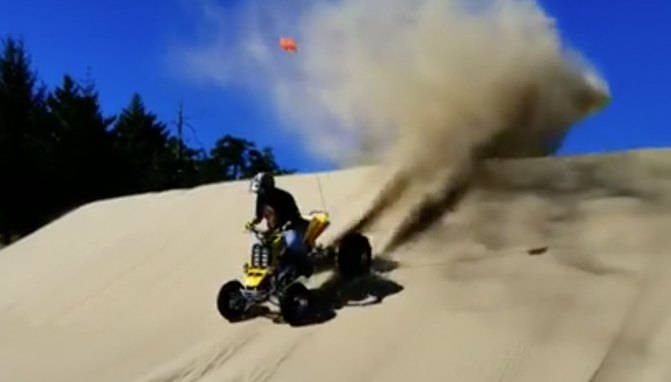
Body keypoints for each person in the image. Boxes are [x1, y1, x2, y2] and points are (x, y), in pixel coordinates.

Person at [245, 171, 311, 277]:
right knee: (258, 245)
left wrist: (288, 224)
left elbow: (295, 214)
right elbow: (259, 216)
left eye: (262, 191)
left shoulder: (284, 196)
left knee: (292, 242)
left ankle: (304, 266)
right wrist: (252, 223)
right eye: (258, 192)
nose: (260, 193)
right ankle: (267, 272)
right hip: (273, 230)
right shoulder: (261, 199)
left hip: (290, 227)